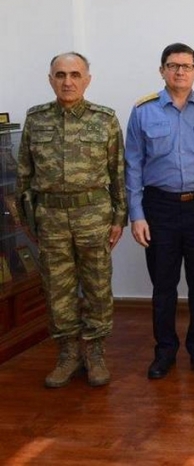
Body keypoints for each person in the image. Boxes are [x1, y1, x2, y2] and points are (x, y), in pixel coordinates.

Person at [16, 52, 127, 388]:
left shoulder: (104, 119)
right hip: (50, 218)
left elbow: (118, 172)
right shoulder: (35, 120)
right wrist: (28, 221)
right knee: (57, 288)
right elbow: (24, 174)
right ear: (50, 79)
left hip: (93, 215)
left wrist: (119, 217)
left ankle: (94, 353)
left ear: (87, 79)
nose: (68, 81)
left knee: (97, 286)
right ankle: (67, 353)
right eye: (60, 75)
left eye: (75, 74)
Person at [125, 42, 194, 379]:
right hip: (159, 209)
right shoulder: (144, 111)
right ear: (162, 70)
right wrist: (136, 214)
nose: (180, 71)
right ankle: (164, 351)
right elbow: (133, 166)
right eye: (173, 65)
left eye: (186, 66)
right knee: (164, 285)